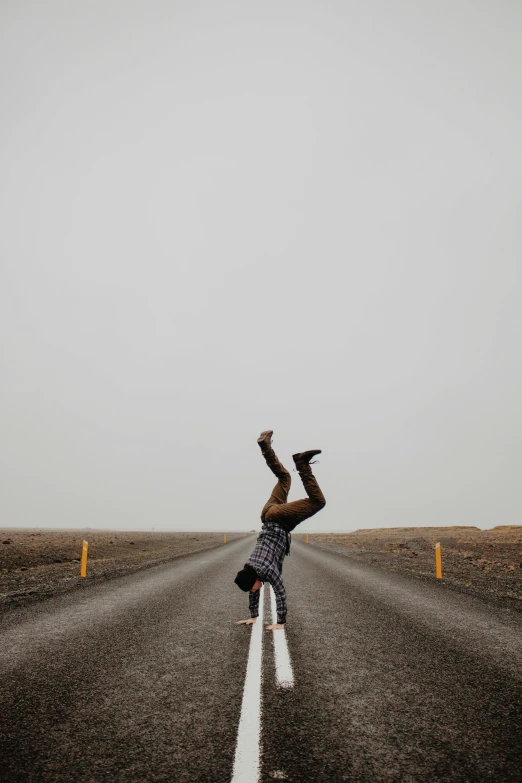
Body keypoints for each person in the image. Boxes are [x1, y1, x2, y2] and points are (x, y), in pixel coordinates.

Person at [234, 430, 326, 631]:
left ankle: (302, 464)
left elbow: (280, 591)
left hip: (278, 519)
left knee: (318, 501)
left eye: (251, 587)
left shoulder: (266, 570)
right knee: (284, 477)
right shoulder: (250, 568)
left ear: (255, 579)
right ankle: (266, 447)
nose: (252, 590)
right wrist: (253, 616)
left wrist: (280, 622)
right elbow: (254, 590)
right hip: (267, 514)